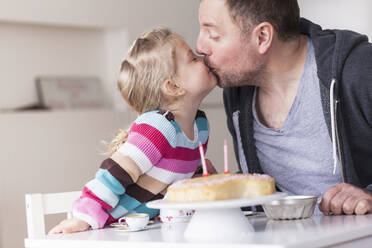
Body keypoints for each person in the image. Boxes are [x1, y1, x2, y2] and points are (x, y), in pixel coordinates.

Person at [196, 0, 372, 215]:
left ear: (262, 37)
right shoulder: (238, 92)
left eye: (213, 35)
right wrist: (222, 190)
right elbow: (271, 196)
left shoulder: (360, 70)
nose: (200, 47)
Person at [49, 28, 217, 234]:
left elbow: (181, 177)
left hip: (156, 229)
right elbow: (115, 172)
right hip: (119, 230)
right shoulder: (158, 128)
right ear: (173, 86)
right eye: (193, 59)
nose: (203, 58)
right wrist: (85, 216)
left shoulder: (200, 125)